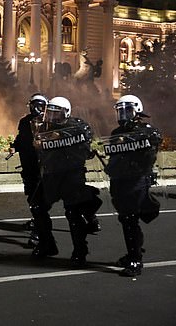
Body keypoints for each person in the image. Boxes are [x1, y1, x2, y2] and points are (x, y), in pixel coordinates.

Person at [31, 96, 101, 266]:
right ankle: (47, 244)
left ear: (66, 113)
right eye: (50, 113)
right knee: (37, 206)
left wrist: (61, 135)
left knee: (73, 213)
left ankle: (80, 252)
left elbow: (84, 138)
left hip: (71, 176)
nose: (52, 117)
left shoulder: (77, 126)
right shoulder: (44, 128)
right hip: (51, 175)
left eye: (57, 113)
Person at [103, 95, 162, 277]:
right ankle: (134, 251)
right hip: (119, 180)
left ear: (137, 110)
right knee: (126, 219)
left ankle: (135, 260)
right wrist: (111, 167)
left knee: (130, 219)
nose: (123, 115)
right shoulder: (116, 133)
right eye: (120, 111)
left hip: (136, 180)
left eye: (127, 111)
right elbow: (115, 157)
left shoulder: (147, 131)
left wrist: (132, 142)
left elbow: (150, 151)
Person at [9, 94, 47, 247]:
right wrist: (15, 146)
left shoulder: (49, 122)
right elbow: (21, 138)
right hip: (28, 165)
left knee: (39, 200)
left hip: (43, 167)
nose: (35, 109)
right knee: (32, 197)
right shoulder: (25, 122)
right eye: (32, 105)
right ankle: (38, 221)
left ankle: (39, 232)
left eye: (38, 106)